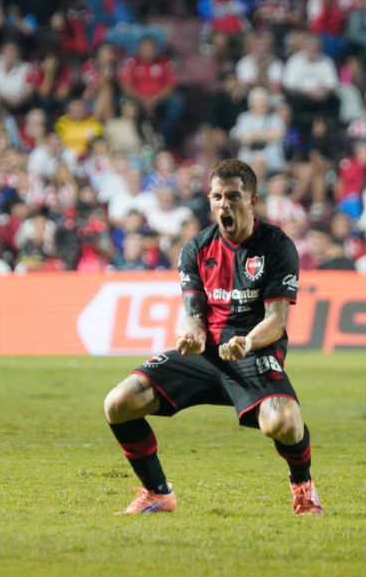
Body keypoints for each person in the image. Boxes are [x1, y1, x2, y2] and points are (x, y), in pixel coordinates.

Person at [102, 159, 321, 516]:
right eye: (217, 196)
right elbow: (192, 313)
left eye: (234, 196)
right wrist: (191, 332)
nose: (225, 204)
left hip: (253, 351)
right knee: (118, 403)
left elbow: (276, 321)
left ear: (251, 201)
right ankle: (157, 493)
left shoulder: (277, 247)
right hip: (205, 355)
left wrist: (247, 342)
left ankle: (304, 487)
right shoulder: (196, 249)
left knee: (283, 422)